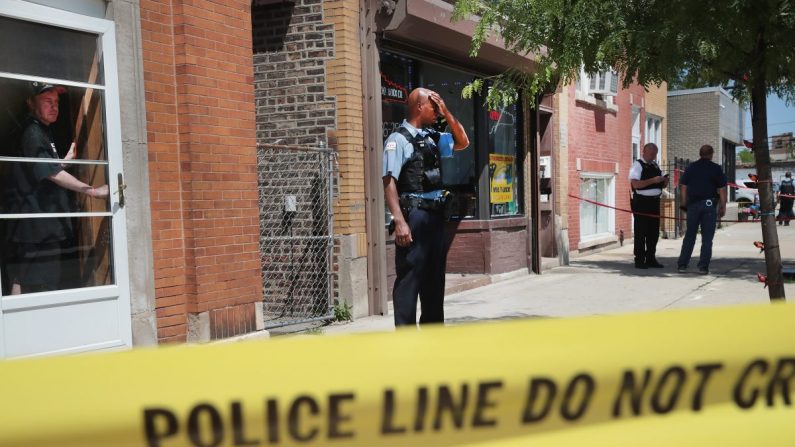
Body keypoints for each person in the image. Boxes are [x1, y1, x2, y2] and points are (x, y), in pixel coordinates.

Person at [5, 82, 109, 294]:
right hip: (37, 229)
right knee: (39, 284)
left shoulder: (41, 130)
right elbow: (51, 174)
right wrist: (93, 191)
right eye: (47, 102)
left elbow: (39, 169)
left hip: (39, 227)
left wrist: (62, 162)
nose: (54, 107)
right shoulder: (32, 132)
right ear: (30, 103)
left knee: (24, 277)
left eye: (56, 102)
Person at [382, 88, 469, 326]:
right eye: (434, 106)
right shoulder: (397, 140)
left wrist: (447, 111)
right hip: (414, 217)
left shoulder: (432, 138)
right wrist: (399, 221)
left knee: (434, 281)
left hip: (434, 218)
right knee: (409, 280)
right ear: (420, 107)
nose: (437, 112)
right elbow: (389, 182)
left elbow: (463, 141)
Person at [676, 144, 727, 275]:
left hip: (693, 205)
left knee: (690, 236)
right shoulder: (716, 169)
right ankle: (703, 267)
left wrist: (683, 202)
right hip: (709, 206)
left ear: (700, 154)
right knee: (707, 238)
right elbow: (721, 189)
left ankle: (682, 264)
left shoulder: (691, 167)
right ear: (711, 154)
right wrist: (722, 205)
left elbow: (683, 186)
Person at [629, 143, 668, 268]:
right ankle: (639, 260)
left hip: (654, 201)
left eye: (655, 154)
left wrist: (664, 181)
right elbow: (635, 185)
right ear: (644, 152)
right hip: (641, 202)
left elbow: (661, 185)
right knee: (641, 232)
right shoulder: (637, 165)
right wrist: (653, 180)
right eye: (651, 154)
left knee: (653, 232)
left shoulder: (655, 165)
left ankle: (651, 258)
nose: (653, 156)